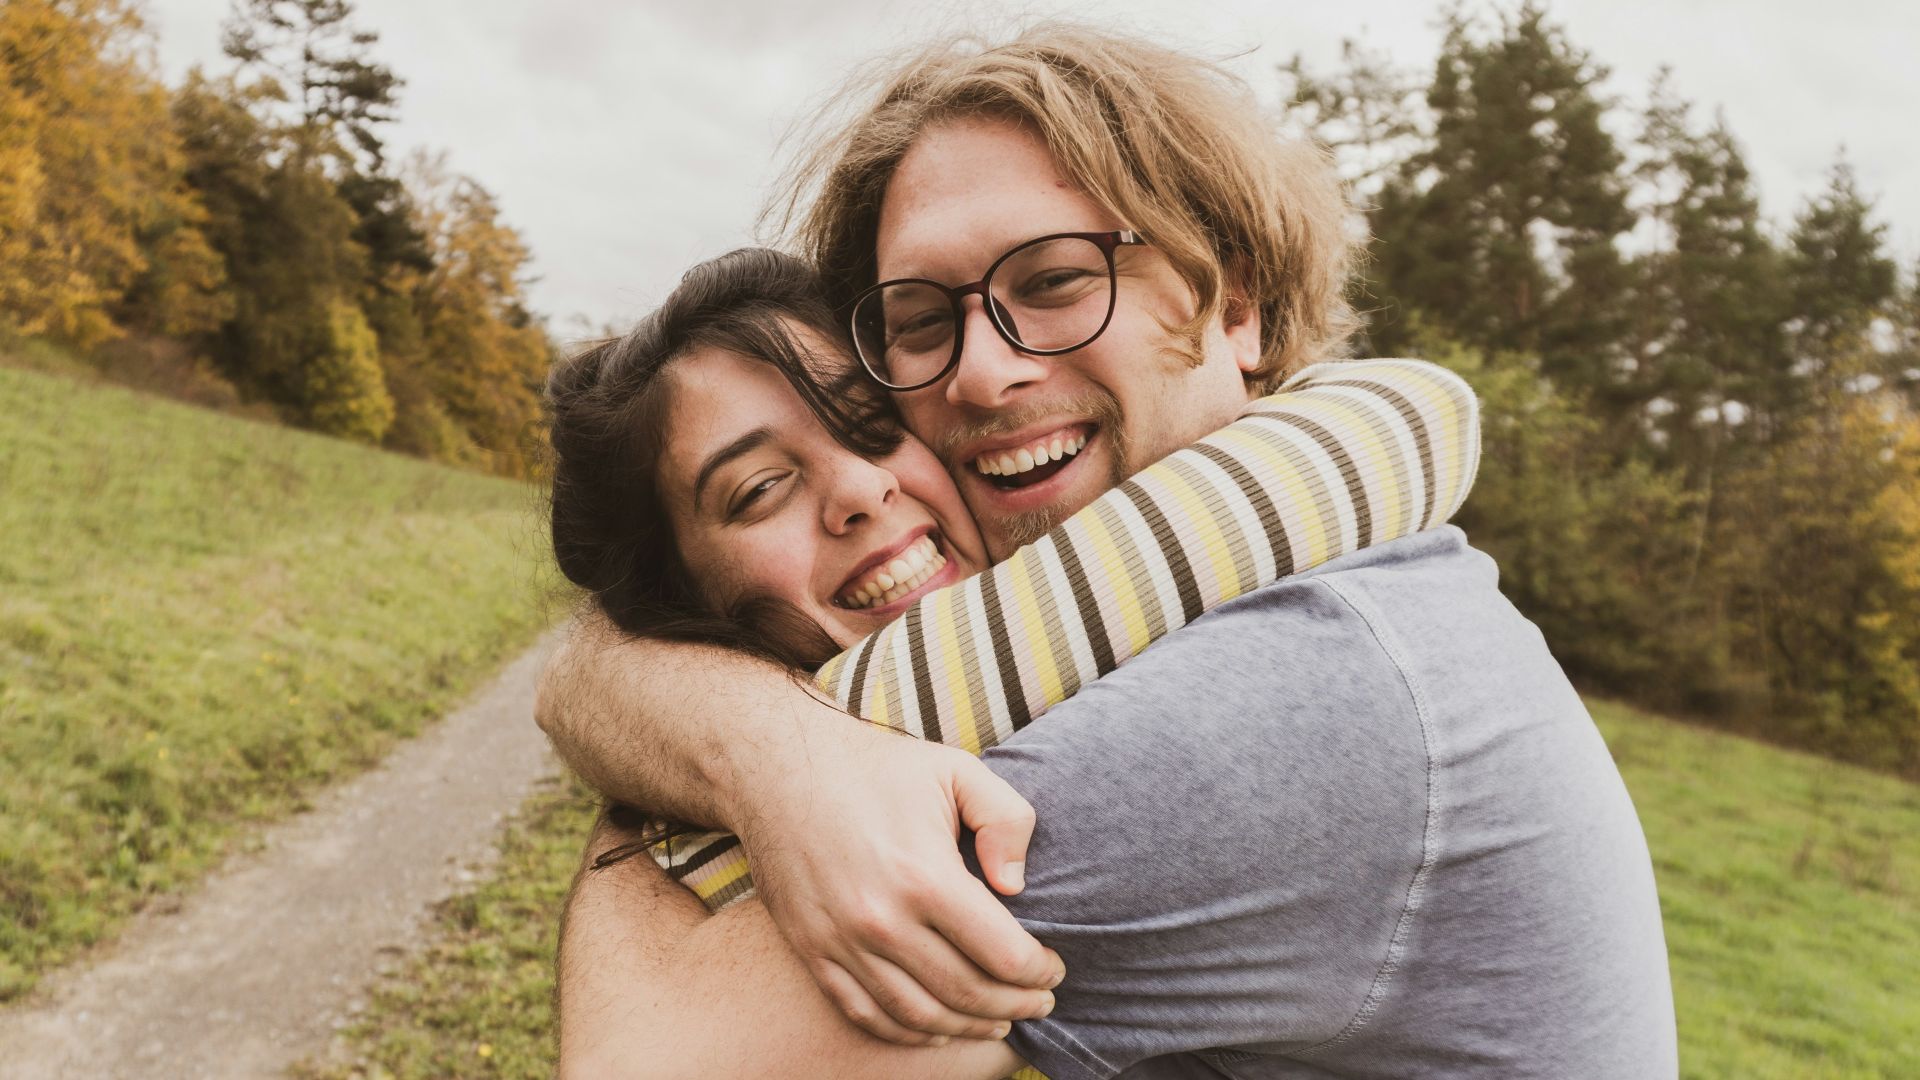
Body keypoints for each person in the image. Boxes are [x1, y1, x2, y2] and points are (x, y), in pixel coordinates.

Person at [543, 25, 1677, 1080]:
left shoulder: (1275, 701)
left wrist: (717, 751)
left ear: (1238, 302)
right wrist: (745, 743)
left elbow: (645, 1058)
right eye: (923, 321)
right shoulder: (1201, 623)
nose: (983, 373)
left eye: (1055, 281)